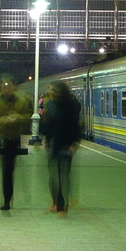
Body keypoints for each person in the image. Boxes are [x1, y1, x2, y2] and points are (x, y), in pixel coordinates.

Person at [0, 75, 32, 211]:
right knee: (6, 170)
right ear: (1, 87)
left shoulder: (22, 101)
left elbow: (28, 117)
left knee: (8, 170)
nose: (6, 89)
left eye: (9, 86)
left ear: (14, 87)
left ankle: (7, 200)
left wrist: (18, 118)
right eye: (4, 86)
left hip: (12, 138)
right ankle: (6, 199)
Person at [41, 81, 81, 215]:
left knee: (63, 176)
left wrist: (75, 143)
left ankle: (63, 205)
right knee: (53, 176)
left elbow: (75, 125)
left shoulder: (72, 105)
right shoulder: (50, 104)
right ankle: (56, 202)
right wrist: (46, 139)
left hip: (66, 143)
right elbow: (49, 123)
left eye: (53, 90)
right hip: (54, 143)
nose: (51, 93)